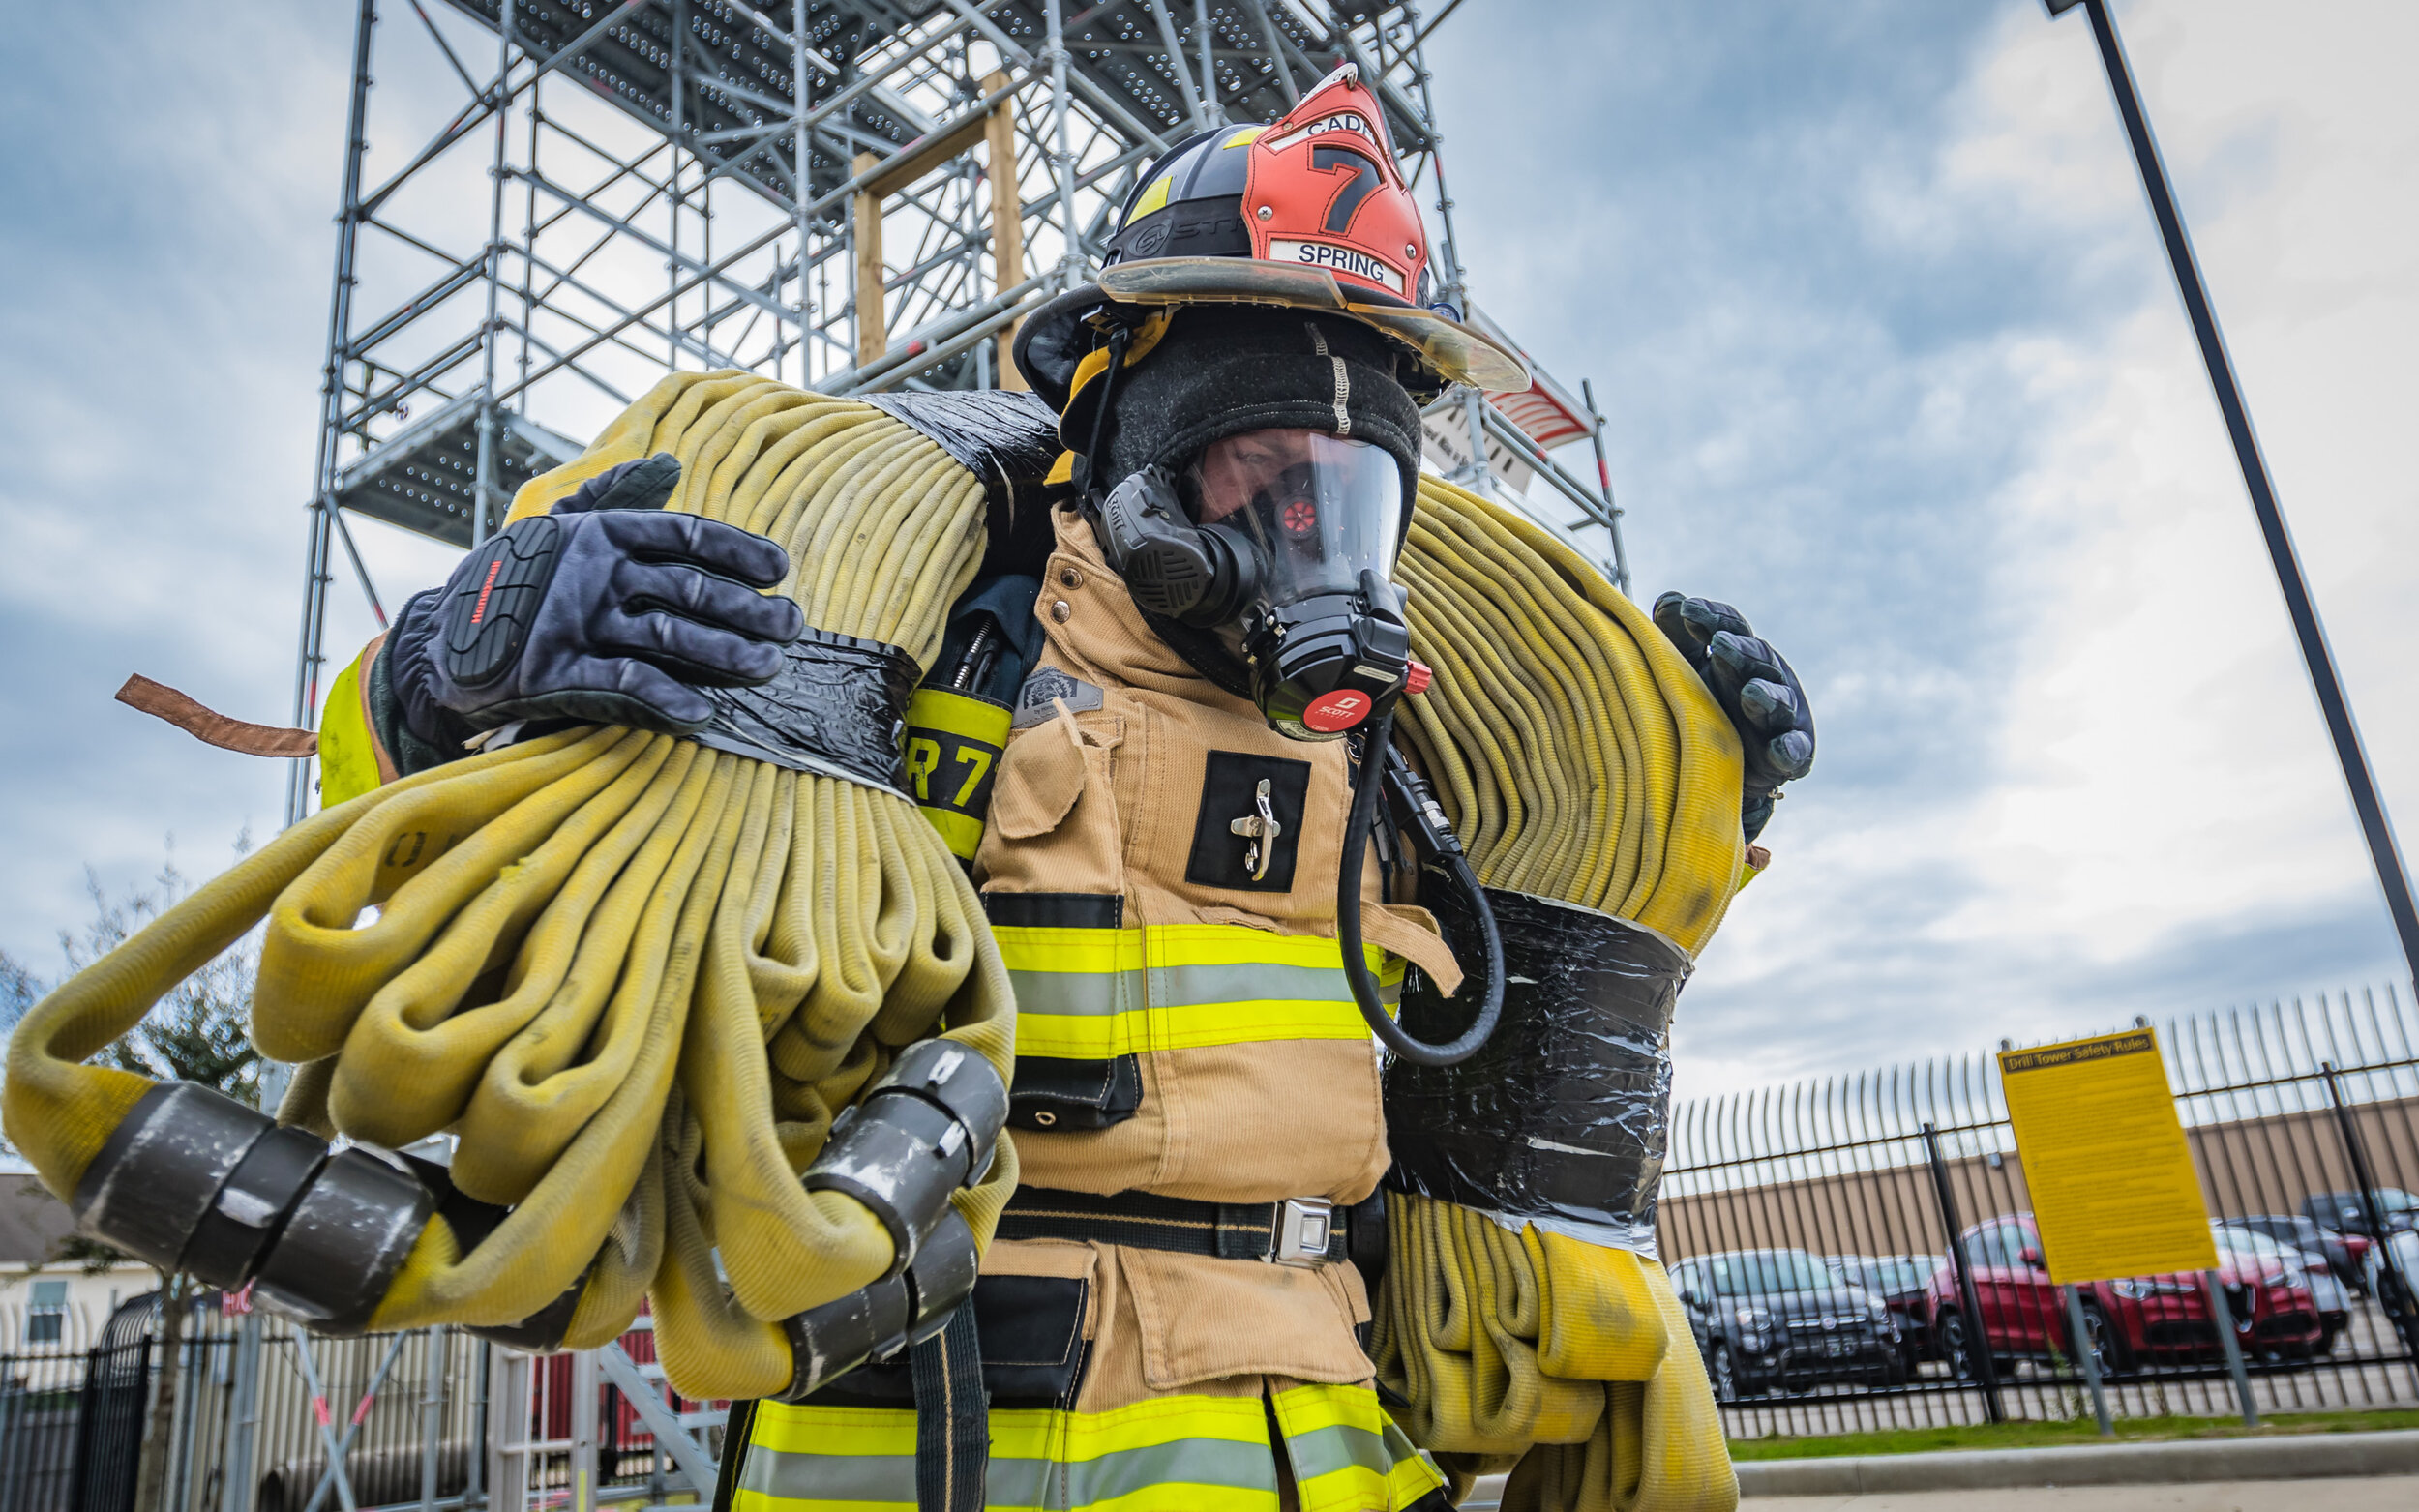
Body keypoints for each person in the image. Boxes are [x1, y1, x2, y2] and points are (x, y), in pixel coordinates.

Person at [318, 61, 1814, 1512]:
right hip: (902, 1433)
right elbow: (469, 881)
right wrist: (443, 675)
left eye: (1350, 493)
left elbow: (1517, 1040)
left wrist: (1688, 806)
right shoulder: (914, 636)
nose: (1305, 535)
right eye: (1261, 469)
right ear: (1123, 419)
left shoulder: (1404, 757)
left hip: (1307, 1439)